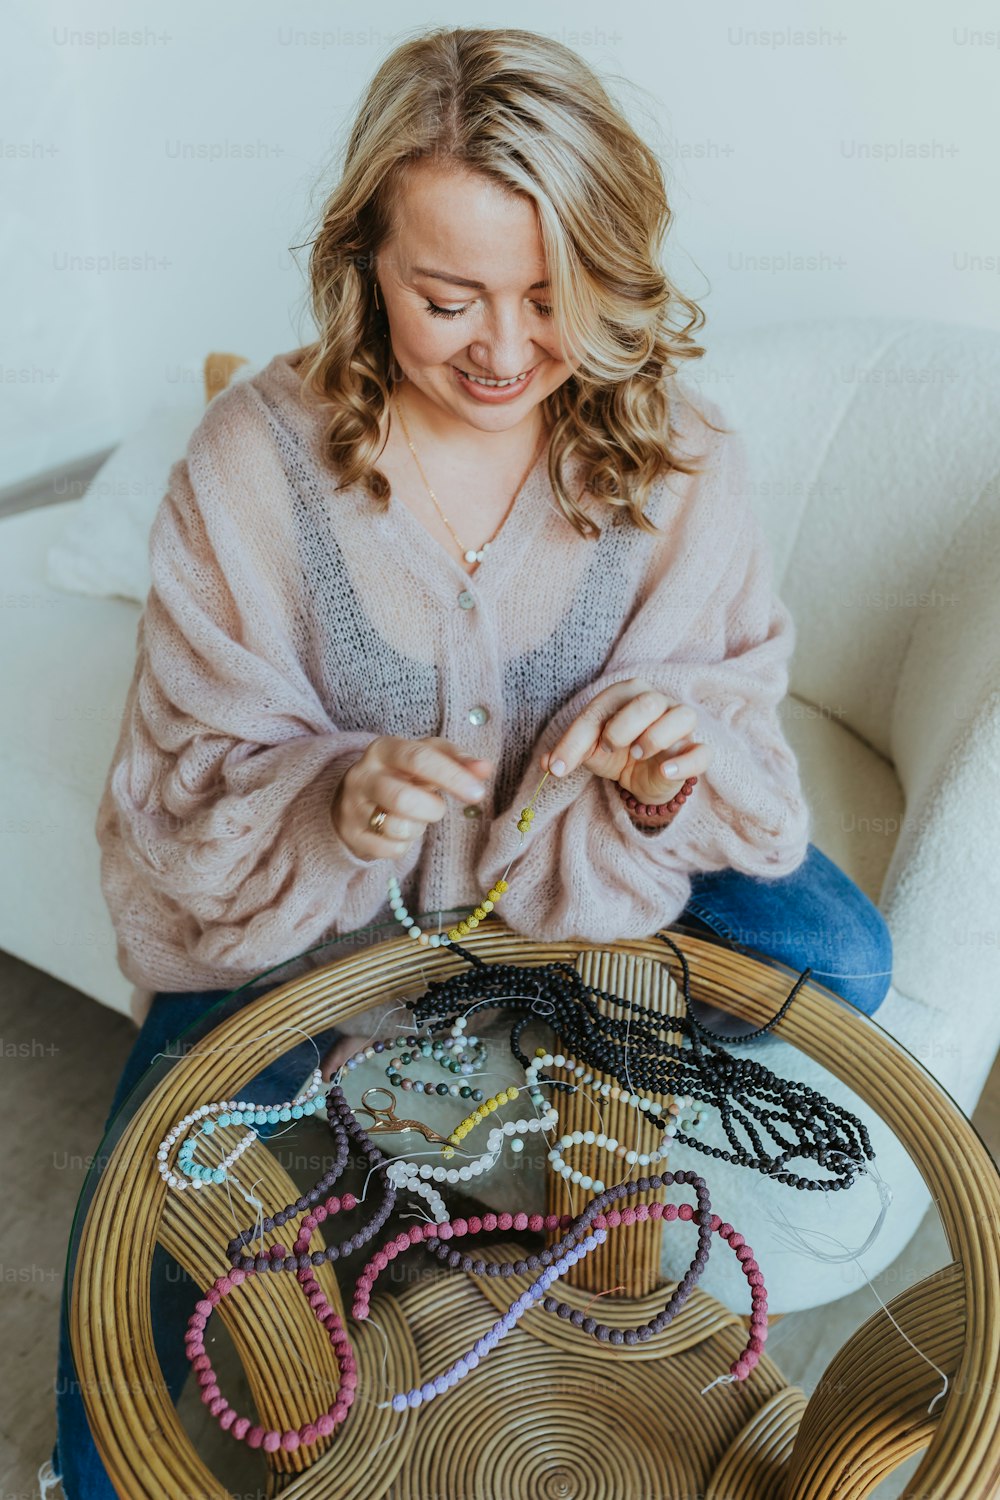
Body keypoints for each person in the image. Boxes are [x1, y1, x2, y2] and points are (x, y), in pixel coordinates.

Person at [47, 24, 893, 1497]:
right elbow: (185, 773)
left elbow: (733, 691)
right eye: (448, 300)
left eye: (553, 298)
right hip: (318, 906)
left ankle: (539, 1020)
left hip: (582, 867)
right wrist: (339, 795)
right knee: (152, 1184)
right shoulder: (252, 466)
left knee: (838, 953)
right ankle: (78, 1476)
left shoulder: (679, 454)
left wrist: (664, 763)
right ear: (364, 264)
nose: (506, 352)